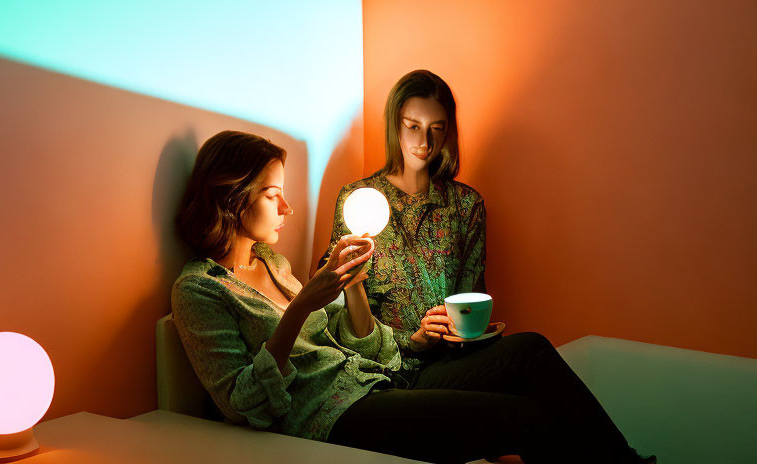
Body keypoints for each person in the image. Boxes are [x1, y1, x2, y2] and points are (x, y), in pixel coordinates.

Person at [173, 130, 652, 463]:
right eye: (272, 194)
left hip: (376, 382)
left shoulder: (273, 265)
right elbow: (240, 404)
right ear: (232, 197)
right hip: (330, 417)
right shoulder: (197, 289)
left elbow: (361, 347)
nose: (288, 207)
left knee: (530, 351)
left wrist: (354, 284)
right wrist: (303, 306)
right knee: (523, 417)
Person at [321, 70, 655, 463]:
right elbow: (343, 322)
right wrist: (413, 338)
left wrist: (465, 331)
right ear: (395, 126)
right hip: (387, 374)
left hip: (447, 366)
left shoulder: (466, 206)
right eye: (412, 126)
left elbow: (469, 301)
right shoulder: (358, 202)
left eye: (436, 128)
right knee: (532, 380)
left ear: (448, 133)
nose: (423, 142)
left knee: (530, 352)